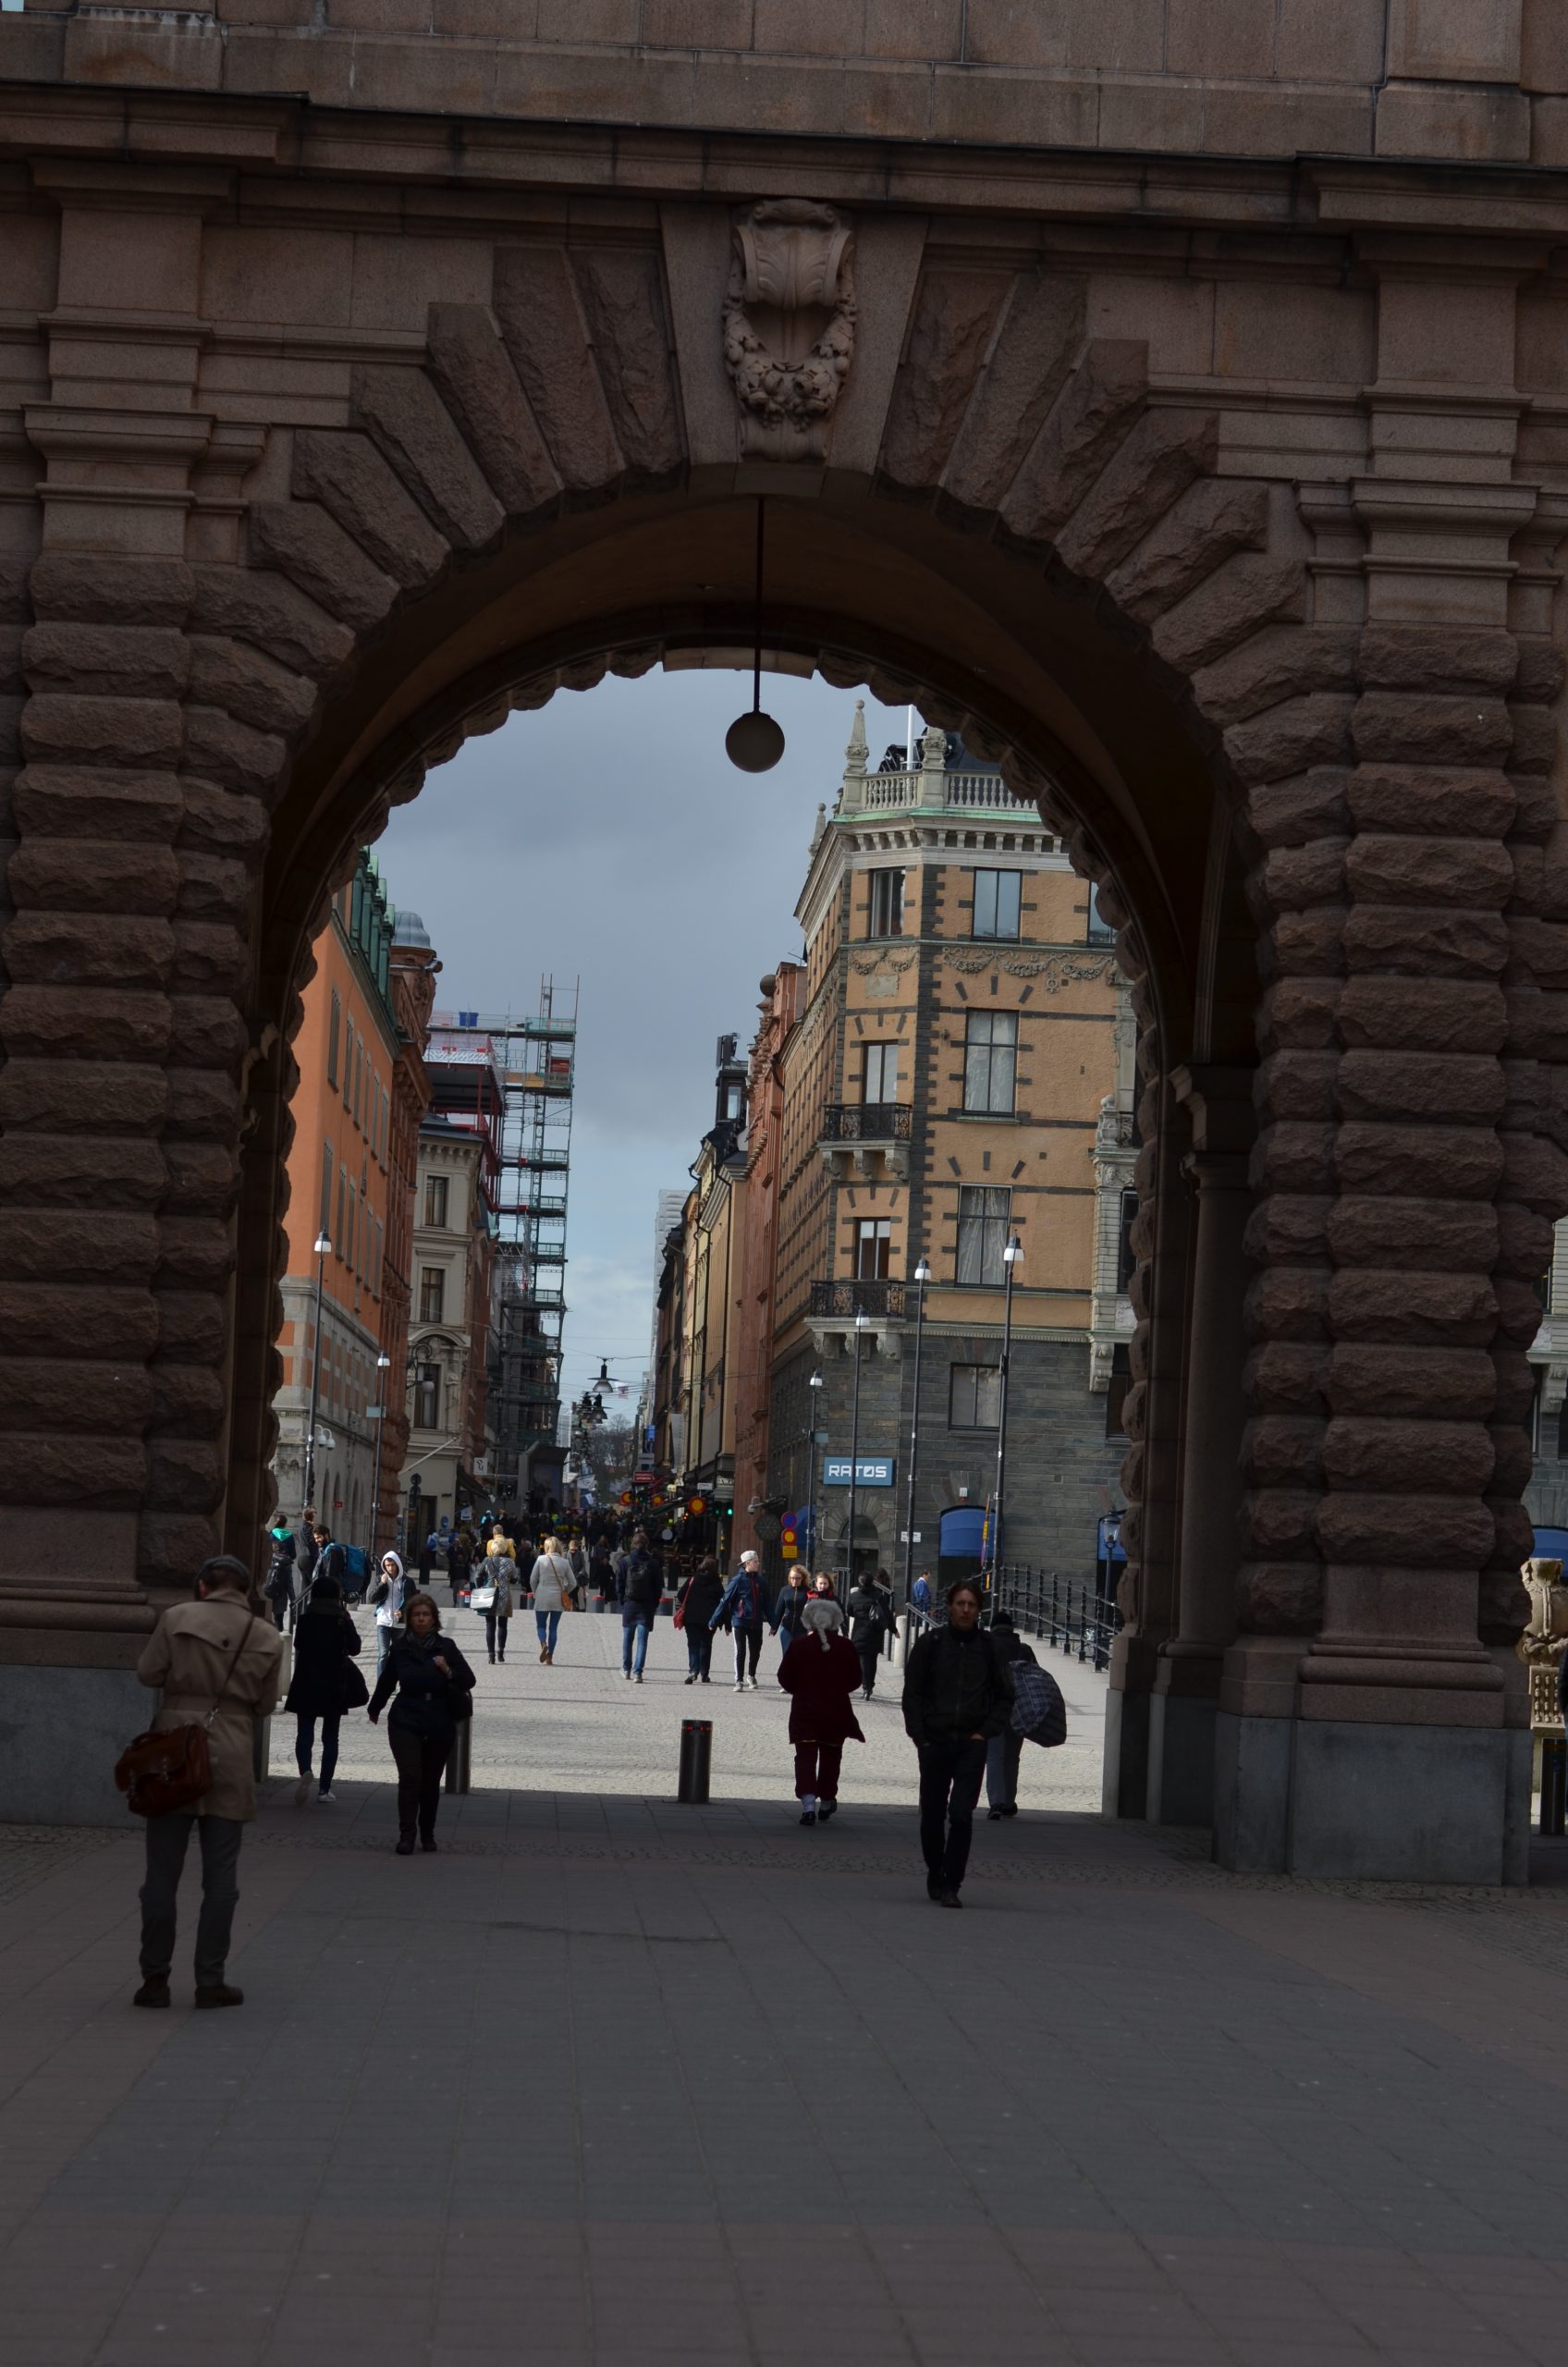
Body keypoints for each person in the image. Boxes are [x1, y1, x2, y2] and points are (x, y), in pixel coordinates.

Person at [133, 1554, 285, 2009]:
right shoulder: (266, 1636)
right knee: (221, 1879)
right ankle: (210, 1980)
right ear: (245, 1590)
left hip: (172, 1751)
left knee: (160, 1874)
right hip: (232, 1750)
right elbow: (264, 1706)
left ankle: (155, 1979)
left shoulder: (175, 1618)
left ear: (202, 1587)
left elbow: (147, 1674)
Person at [900, 1577, 1013, 1908]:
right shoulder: (931, 1644)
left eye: (972, 1605)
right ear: (950, 1606)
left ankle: (952, 1882)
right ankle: (935, 1868)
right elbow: (913, 1693)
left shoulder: (989, 1647)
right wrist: (919, 1735)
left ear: (979, 1610)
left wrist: (987, 1730)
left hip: (971, 1742)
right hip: (934, 1742)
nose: (966, 1610)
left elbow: (1006, 1695)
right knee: (932, 1816)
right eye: (961, 1603)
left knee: (961, 1814)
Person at [367, 1590, 476, 1854]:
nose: (421, 1619)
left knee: (429, 1781)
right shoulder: (401, 1648)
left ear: (434, 1619)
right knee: (410, 1776)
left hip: (439, 1717)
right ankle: (407, 1834)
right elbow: (387, 1680)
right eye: (416, 1615)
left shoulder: (446, 1647)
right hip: (406, 1715)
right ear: (409, 1618)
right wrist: (376, 1707)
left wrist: (448, 1671)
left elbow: (468, 1680)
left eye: (426, 1615)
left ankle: (428, 1833)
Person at [779, 1591, 864, 1825]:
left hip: (805, 1710)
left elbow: (784, 1677)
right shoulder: (845, 1647)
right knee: (831, 1756)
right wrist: (838, 1690)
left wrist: (801, 1690)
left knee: (805, 1758)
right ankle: (826, 1800)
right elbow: (856, 1679)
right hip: (835, 1710)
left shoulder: (798, 1646)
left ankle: (808, 1805)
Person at [284, 1569, 362, 1805]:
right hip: (334, 1682)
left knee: (304, 1733)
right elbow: (355, 1647)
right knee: (331, 1737)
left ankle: (305, 1770)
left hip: (306, 1679)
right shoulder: (341, 1618)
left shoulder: (307, 1618)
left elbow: (298, 1644)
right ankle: (324, 1789)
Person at [986, 1611, 1038, 1820]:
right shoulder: (1024, 1649)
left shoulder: (986, 1647)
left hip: (993, 1709)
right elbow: (1036, 1678)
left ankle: (996, 1802)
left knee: (995, 1756)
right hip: (1019, 1708)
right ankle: (1009, 1802)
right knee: (1012, 1757)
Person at [712, 1550, 768, 1692]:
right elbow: (725, 1601)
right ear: (747, 1563)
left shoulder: (761, 1581)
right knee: (740, 1651)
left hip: (756, 1622)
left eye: (757, 1560)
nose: (758, 1563)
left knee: (755, 1651)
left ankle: (751, 1675)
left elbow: (768, 1603)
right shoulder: (737, 1580)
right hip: (739, 1620)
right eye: (755, 1561)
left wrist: (774, 1624)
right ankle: (739, 1680)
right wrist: (714, 1620)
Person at [617, 1528, 663, 1682]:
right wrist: (655, 1603)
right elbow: (658, 1587)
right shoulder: (654, 1563)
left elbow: (619, 1585)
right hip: (647, 1606)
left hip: (630, 1604)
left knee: (627, 1639)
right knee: (643, 1641)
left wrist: (623, 1601)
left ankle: (626, 1669)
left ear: (633, 1544)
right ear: (647, 1545)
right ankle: (638, 1672)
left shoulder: (625, 1562)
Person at [848, 1566, 895, 1700]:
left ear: (860, 1582)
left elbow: (849, 1611)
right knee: (871, 1661)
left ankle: (865, 1687)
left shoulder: (854, 1596)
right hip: (875, 1633)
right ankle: (870, 1686)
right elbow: (887, 1614)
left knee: (862, 1661)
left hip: (859, 1632)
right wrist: (894, 1630)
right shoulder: (878, 1596)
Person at [529, 1533, 576, 1664]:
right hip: (558, 1598)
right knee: (554, 1628)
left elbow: (533, 1579)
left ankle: (543, 1643)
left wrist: (535, 1592)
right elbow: (573, 1582)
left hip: (542, 1595)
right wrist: (565, 1590)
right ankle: (550, 1657)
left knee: (541, 1626)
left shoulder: (540, 1560)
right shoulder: (565, 1562)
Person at [677, 1554, 725, 1684]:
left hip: (691, 1618)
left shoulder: (692, 1580)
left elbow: (681, 1595)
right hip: (710, 1620)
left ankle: (693, 1671)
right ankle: (705, 1673)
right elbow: (724, 1603)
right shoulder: (717, 1584)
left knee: (693, 1644)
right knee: (706, 1645)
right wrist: (726, 1623)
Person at [369, 1548, 408, 1675]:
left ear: (397, 1564)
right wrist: (381, 1584)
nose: (390, 1568)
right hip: (383, 1621)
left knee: (397, 1655)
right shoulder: (381, 1579)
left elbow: (413, 1602)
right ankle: (381, 1684)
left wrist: (403, 1611)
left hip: (399, 1623)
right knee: (383, 1653)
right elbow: (372, 1598)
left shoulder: (406, 1581)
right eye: (387, 1565)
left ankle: (396, 1682)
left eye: (392, 1565)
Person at [480, 1531, 516, 1664]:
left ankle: (491, 1656)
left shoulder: (487, 1560)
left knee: (490, 1625)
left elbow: (477, 1575)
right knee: (503, 1624)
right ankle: (500, 1652)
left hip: (489, 1593)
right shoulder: (510, 1562)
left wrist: (481, 1587)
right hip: (505, 1594)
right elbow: (515, 1579)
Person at [771, 1566, 810, 1669]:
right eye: (792, 1578)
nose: (794, 1581)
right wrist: (774, 1627)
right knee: (787, 1654)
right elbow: (779, 1609)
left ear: (803, 1578)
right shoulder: (784, 1590)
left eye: (797, 1578)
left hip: (802, 1628)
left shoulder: (808, 1592)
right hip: (786, 1627)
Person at [263, 1523, 296, 1632]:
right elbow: (289, 1584)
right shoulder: (286, 1563)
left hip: (266, 1591)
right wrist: (293, 1600)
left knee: (263, 1621)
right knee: (279, 1621)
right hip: (280, 1595)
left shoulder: (267, 1559)